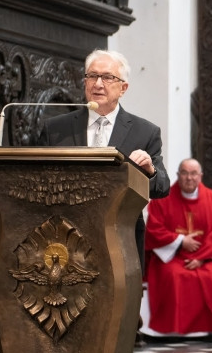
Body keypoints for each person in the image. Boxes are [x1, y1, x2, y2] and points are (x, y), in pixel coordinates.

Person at [39, 49, 170, 266]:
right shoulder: (56, 128)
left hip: (120, 243)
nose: (98, 84)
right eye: (92, 76)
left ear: (123, 88)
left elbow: (162, 188)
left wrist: (150, 172)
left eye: (108, 77)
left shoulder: (145, 132)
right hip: (63, 243)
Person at [144, 159, 212, 337]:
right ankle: (172, 331)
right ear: (177, 175)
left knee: (211, 274)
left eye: (193, 174)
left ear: (200, 176)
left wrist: (201, 258)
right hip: (172, 257)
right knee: (173, 275)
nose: (189, 178)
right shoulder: (162, 199)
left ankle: (207, 330)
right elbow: (154, 230)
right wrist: (180, 240)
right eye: (184, 173)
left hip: (204, 257)